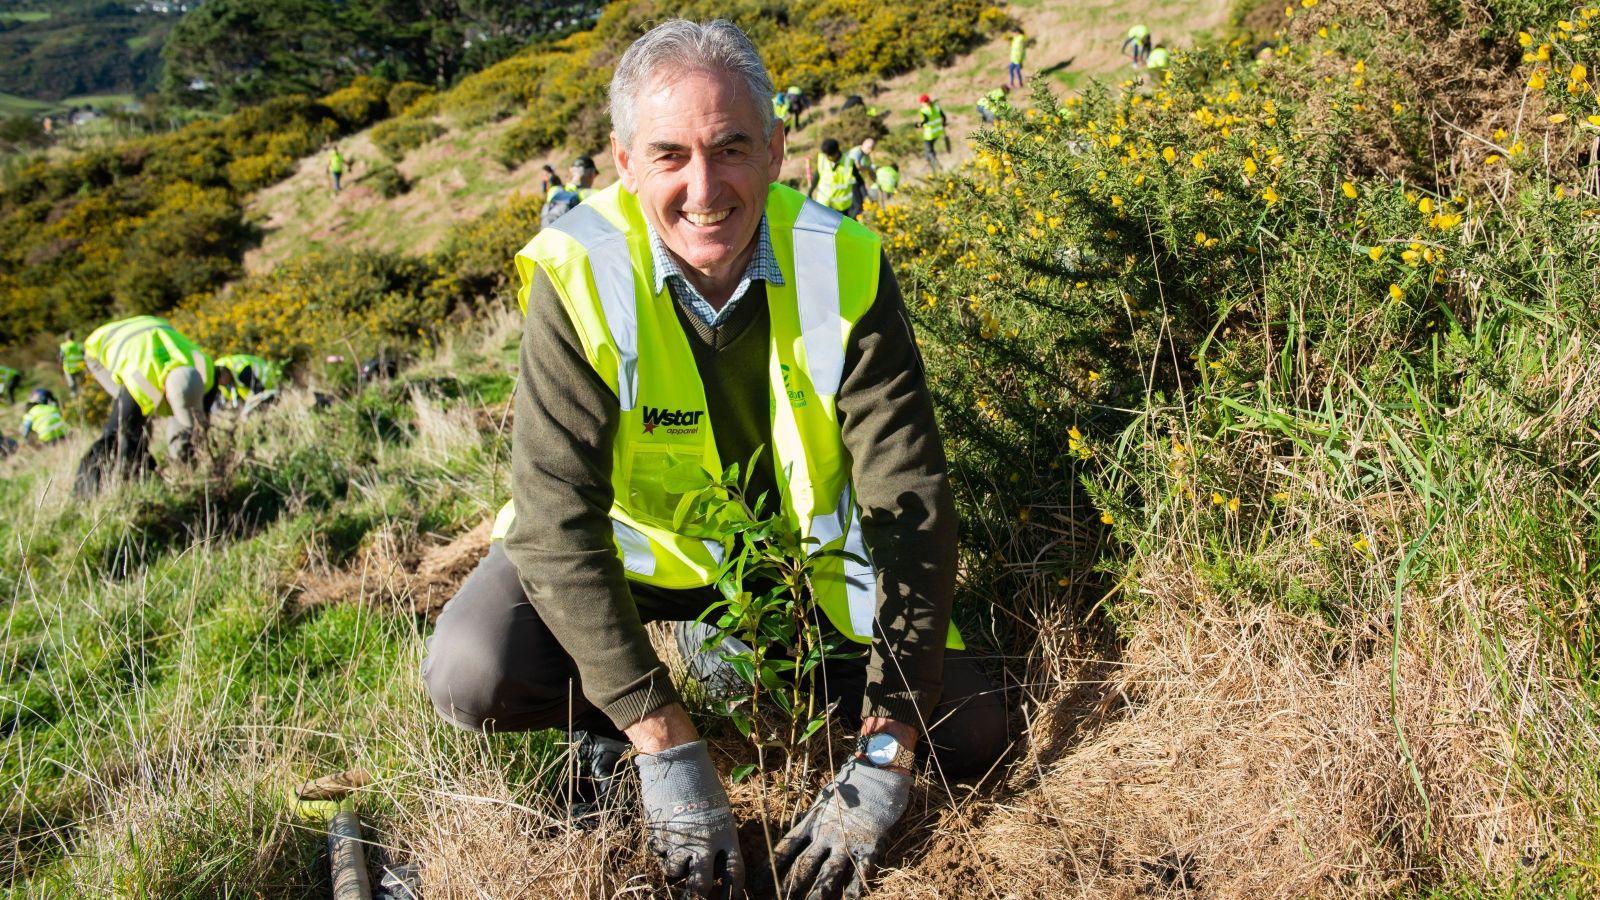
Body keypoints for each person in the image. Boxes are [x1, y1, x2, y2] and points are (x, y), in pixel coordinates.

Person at [422, 18, 1006, 900]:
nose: (705, 189)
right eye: (671, 156)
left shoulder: (843, 262)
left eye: (732, 148)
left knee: (971, 733)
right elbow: (554, 520)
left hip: (795, 563)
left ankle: (737, 663)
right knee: (476, 670)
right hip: (639, 556)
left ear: (775, 150)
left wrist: (888, 742)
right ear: (625, 163)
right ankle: (618, 726)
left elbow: (910, 499)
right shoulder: (580, 272)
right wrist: (662, 740)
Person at [77, 316, 223, 493]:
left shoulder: (207, 371)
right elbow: (116, 431)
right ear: (165, 392)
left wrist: (188, 454)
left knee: (185, 425)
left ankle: (182, 469)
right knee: (125, 429)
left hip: (152, 327)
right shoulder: (140, 382)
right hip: (103, 343)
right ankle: (120, 481)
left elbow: (197, 426)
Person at [808, 138, 859, 218]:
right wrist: (810, 191)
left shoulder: (849, 163)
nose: (826, 157)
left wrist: (859, 202)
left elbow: (859, 181)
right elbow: (817, 175)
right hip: (823, 204)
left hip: (841, 207)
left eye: (828, 156)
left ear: (836, 153)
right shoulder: (822, 158)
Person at [918, 93, 951, 172]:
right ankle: (928, 162)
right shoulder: (936, 106)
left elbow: (925, 120)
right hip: (938, 131)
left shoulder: (924, 110)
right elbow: (943, 117)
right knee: (928, 149)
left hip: (929, 134)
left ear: (923, 103)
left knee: (929, 151)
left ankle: (937, 166)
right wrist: (943, 123)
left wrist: (919, 125)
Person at [846, 136, 876, 215]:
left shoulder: (867, 156)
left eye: (872, 148)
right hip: (851, 181)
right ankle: (849, 221)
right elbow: (857, 166)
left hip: (859, 181)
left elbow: (870, 171)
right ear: (863, 144)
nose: (870, 150)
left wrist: (876, 182)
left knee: (866, 201)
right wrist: (869, 168)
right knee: (857, 205)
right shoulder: (856, 151)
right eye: (869, 148)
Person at [59, 330, 87, 397]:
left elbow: (61, 358)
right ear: (74, 337)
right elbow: (84, 355)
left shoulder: (64, 346)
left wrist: (60, 370)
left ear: (66, 337)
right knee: (83, 384)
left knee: (72, 385)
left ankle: (74, 398)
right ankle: (85, 396)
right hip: (80, 367)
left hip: (68, 368)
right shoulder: (79, 345)